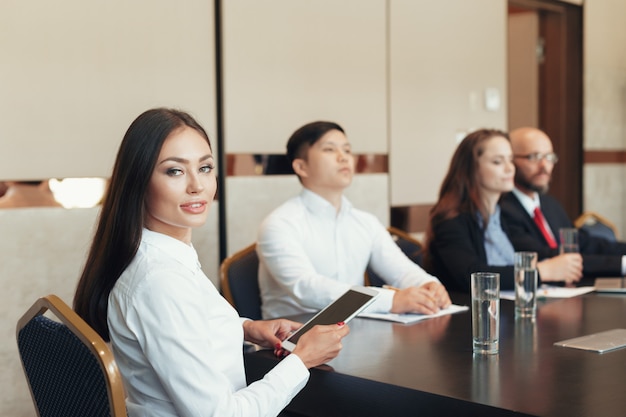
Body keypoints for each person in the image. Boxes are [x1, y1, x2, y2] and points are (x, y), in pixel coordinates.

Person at [73, 108, 349, 417]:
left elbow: (189, 324)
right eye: (174, 171)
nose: (197, 185)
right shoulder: (161, 281)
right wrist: (303, 360)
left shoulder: (165, 257)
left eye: (205, 168)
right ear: (139, 180)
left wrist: (246, 328)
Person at [256, 121, 451, 320]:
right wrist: (391, 301)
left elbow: (401, 271)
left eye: (347, 150)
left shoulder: (365, 222)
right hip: (292, 341)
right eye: (329, 150)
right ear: (301, 167)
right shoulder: (280, 224)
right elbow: (306, 288)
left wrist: (428, 285)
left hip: (353, 333)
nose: (344, 158)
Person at [423, 128, 582, 293]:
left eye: (510, 160)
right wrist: (541, 271)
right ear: (472, 169)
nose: (510, 169)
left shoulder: (501, 213)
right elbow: (471, 275)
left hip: (508, 307)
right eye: (498, 162)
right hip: (471, 314)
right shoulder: (451, 219)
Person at [500, 127, 626, 280]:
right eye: (534, 157)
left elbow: (583, 242)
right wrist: (622, 263)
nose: (544, 166)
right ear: (510, 161)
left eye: (549, 157)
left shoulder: (550, 204)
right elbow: (550, 259)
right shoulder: (502, 209)